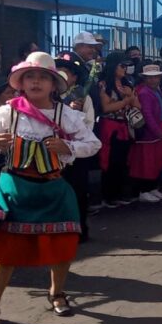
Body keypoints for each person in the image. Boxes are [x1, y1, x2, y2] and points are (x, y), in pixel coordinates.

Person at [0, 52, 101, 324]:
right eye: (30, 77)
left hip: (54, 188)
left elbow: (93, 143)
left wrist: (68, 148)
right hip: (15, 186)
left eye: (43, 78)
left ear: (53, 84)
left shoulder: (67, 116)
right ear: (21, 83)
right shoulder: (7, 112)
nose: (36, 82)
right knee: (6, 251)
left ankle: (57, 293)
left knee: (62, 247)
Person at [55, 51, 96, 241]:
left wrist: (74, 118)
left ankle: (79, 229)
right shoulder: (49, 97)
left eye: (66, 72)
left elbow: (88, 124)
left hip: (76, 152)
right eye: (58, 71)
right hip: (53, 152)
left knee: (77, 191)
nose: (62, 75)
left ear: (74, 76)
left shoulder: (83, 97)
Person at [95, 51, 140, 208]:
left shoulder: (128, 84)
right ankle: (108, 195)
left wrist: (131, 98)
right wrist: (126, 100)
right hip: (110, 127)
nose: (125, 68)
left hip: (125, 126)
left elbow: (138, 106)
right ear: (113, 65)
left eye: (126, 65)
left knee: (123, 161)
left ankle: (120, 193)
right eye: (122, 65)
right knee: (110, 161)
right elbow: (106, 107)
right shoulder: (103, 85)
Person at [130, 64, 162, 203]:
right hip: (151, 134)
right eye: (150, 78)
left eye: (156, 77)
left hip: (160, 129)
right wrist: (157, 131)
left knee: (157, 161)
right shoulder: (144, 93)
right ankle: (144, 190)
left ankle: (153, 188)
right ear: (145, 79)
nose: (154, 80)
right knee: (147, 162)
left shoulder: (155, 91)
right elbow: (147, 115)